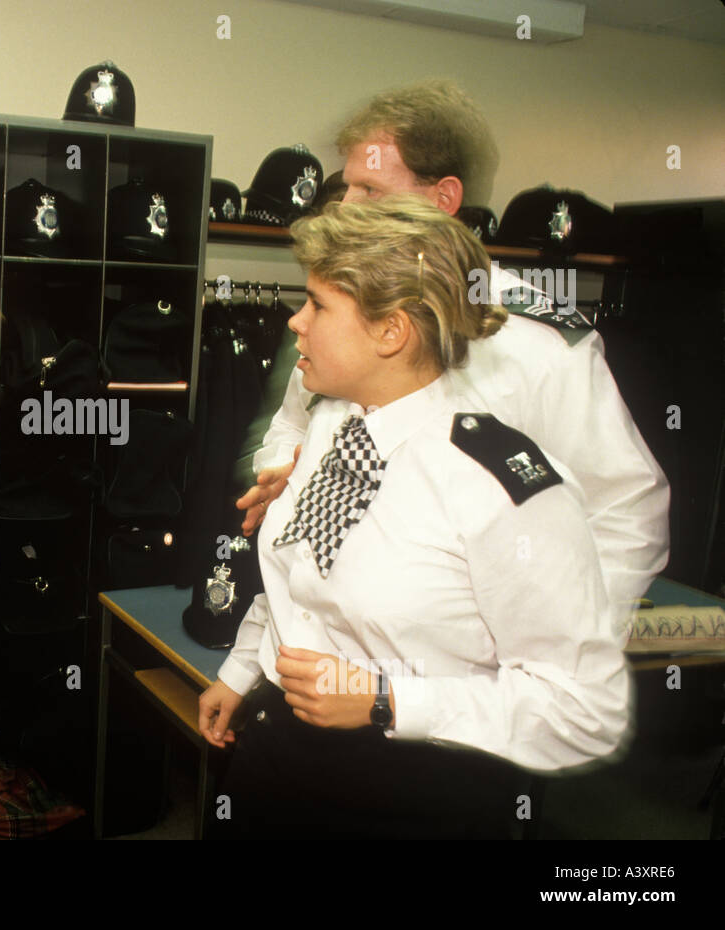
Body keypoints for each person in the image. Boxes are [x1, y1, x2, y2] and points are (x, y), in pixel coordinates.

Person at [199, 197, 630, 839]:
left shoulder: (499, 486)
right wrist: (242, 669)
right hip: (282, 752)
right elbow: (307, 578)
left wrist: (386, 700)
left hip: (415, 791)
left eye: (317, 304)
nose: (295, 322)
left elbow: (585, 709)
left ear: (390, 331)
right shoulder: (334, 426)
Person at [237, 81, 669, 618]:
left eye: (369, 190)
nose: (345, 207)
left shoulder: (536, 341)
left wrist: (543, 637)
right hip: (322, 634)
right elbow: (291, 427)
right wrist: (290, 474)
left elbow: (629, 511)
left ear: (443, 198)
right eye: (346, 188)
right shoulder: (337, 314)